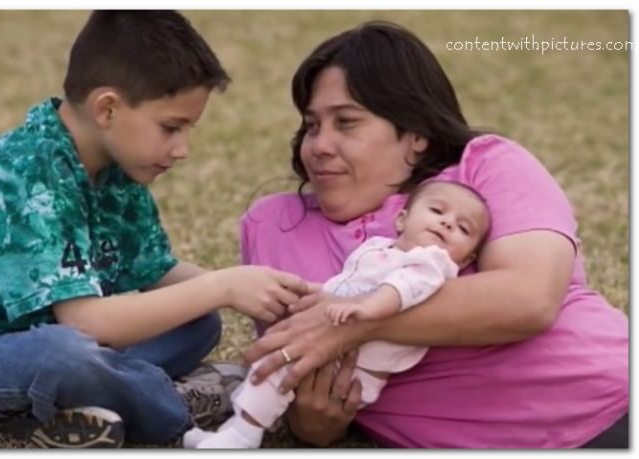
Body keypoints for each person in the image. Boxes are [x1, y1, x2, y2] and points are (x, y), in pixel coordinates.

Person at [0, 11, 309, 449]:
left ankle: (81, 412)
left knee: (197, 320)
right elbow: (87, 322)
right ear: (107, 108)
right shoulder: (22, 174)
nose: (182, 150)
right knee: (63, 355)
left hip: (54, 341)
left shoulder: (116, 167)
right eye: (171, 127)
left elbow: (156, 271)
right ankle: (178, 415)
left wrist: (277, 296)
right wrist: (225, 287)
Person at [239, 21, 628, 448]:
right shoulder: (273, 225)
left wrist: (353, 324)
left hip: (611, 406)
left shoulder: (485, 167)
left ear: (416, 135)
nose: (319, 146)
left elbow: (529, 299)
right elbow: (293, 380)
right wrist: (316, 425)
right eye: (312, 125)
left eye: (346, 123)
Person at [184, 181, 491, 448]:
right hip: (346, 345)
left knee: (277, 366)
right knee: (275, 369)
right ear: (401, 219)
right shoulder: (382, 249)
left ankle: (241, 437)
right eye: (438, 212)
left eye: (463, 228)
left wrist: (366, 308)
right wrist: (312, 293)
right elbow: (345, 285)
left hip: (360, 363)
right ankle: (236, 429)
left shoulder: (432, 264)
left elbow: (401, 290)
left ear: (468, 257)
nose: (448, 224)